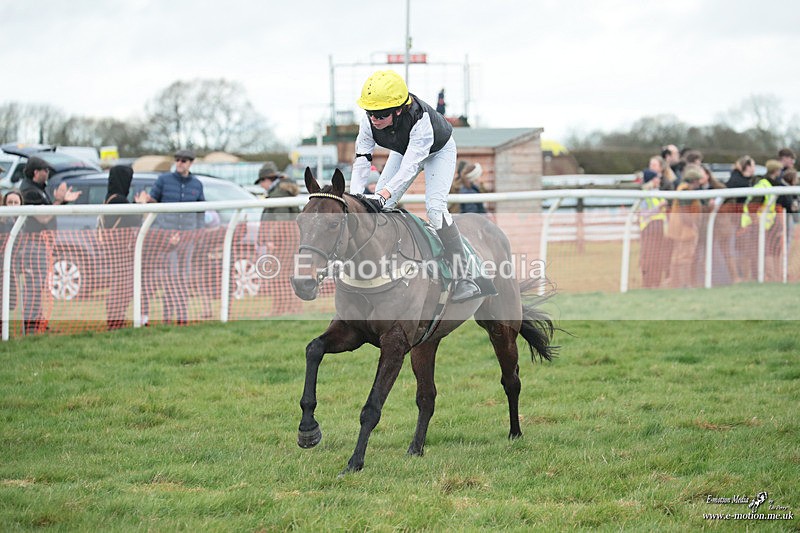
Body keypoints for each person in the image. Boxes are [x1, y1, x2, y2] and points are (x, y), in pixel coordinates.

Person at [348, 70, 487, 302]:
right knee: (377, 210)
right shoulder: (368, 122)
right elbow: (362, 160)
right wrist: (354, 198)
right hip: (404, 150)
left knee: (435, 208)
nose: (374, 118)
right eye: (370, 112)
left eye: (380, 114)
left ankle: (464, 276)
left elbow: (409, 168)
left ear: (399, 109)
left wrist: (382, 194)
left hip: (438, 151)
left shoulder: (420, 120)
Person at [136, 149, 204, 325]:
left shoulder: (197, 184)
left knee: (184, 278)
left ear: (190, 163)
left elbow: (201, 210)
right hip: (168, 239)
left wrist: (198, 233)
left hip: (188, 238)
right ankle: (167, 317)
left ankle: (182, 317)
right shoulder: (163, 180)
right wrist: (162, 231)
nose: (180, 163)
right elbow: (153, 205)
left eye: (184, 161)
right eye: (178, 160)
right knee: (171, 278)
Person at [18, 156, 81, 334]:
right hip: (34, 245)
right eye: (45, 170)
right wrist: (59, 201)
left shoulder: (38, 190)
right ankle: (31, 327)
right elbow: (43, 217)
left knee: (39, 287)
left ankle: (38, 324)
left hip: (41, 245)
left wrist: (62, 201)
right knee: (34, 287)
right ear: (36, 172)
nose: (48, 174)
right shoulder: (30, 192)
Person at [255, 161, 301, 315]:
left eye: (262, 181)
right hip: (289, 242)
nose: (262, 185)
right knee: (287, 275)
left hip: (282, 243)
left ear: (268, 179)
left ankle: (281, 309)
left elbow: (280, 220)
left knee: (280, 277)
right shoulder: (282, 192)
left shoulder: (278, 194)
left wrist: (271, 240)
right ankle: (288, 308)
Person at [101, 165, 140, 330]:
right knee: (121, 286)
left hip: (115, 250)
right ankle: (115, 321)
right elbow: (135, 220)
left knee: (121, 285)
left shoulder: (110, 197)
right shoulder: (118, 200)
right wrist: (141, 205)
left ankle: (116, 318)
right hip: (120, 250)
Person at [638, 167, 669, 288]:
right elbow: (643, 213)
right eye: (656, 178)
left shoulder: (658, 193)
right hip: (649, 229)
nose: (659, 180)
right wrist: (658, 208)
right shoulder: (645, 194)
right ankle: (648, 283)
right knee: (649, 258)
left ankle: (656, 282)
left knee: (658, 257)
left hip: (659, 229)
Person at [1, 191, 23, 321]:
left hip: (13, 266)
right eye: (10, 202)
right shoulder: (3, 223)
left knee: (11, 301)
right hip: (2, 264)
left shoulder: (24, 222)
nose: (13, 205)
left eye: (16, 202)